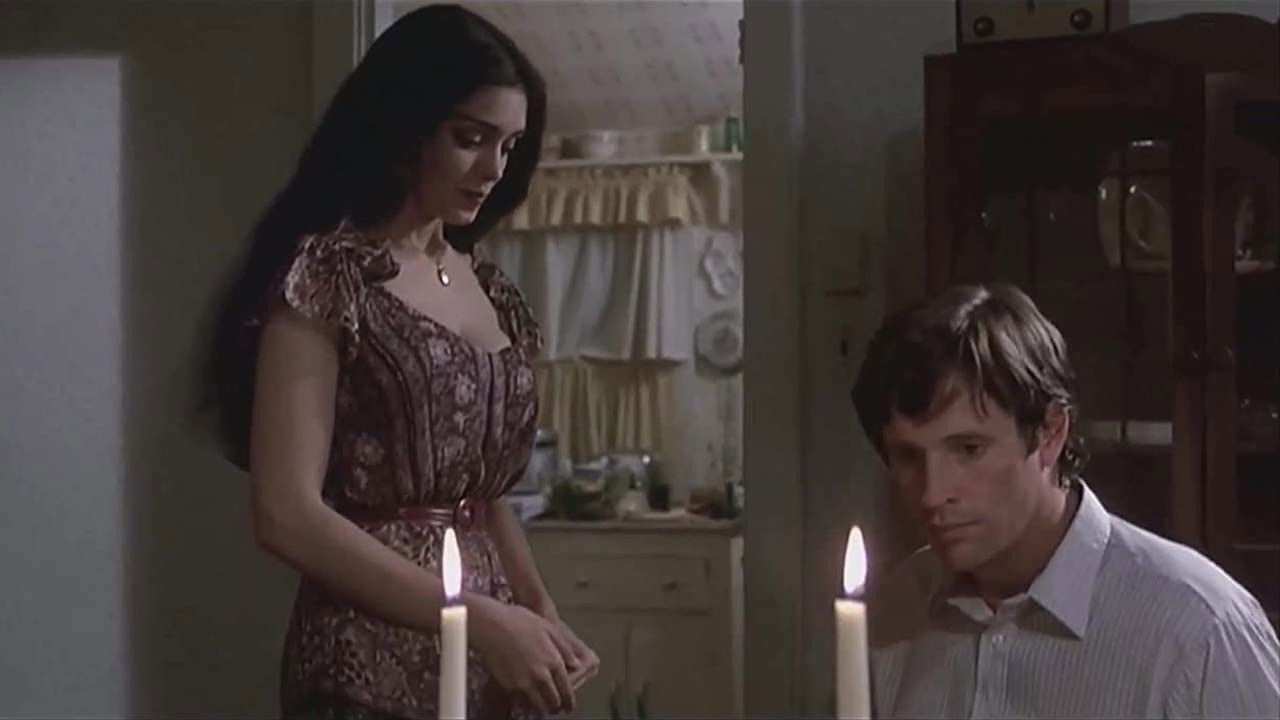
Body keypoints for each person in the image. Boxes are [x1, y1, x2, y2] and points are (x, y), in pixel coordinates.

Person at [202, 6, 598, 718]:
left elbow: (481, 493)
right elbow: (285, 513)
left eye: (509, 146)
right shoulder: (331, 276)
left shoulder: (488, 286)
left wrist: (538, 611)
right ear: (407, 127)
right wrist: (480, 618)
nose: (493, 169)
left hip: (490, 663)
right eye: (470, 139)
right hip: (364, 663)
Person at [851, 283, 1279, 719]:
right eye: (909, 457)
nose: (932, 493)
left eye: (969, 449)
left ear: (1051, 433)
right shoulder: (897, 610)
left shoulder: (1197, 632)